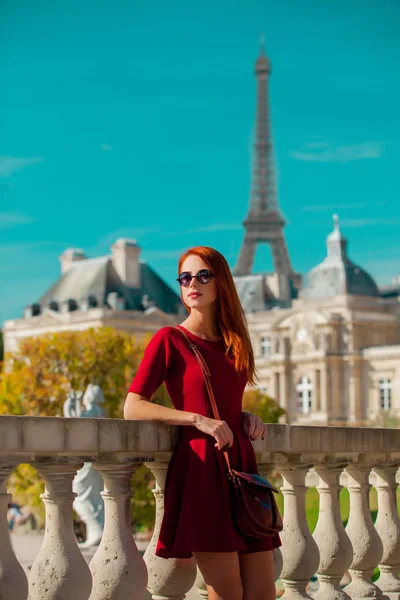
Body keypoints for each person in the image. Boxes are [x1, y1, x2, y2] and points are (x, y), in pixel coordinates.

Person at [124, 246, 281, 600]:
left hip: (241, 466)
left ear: (220, 282)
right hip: (202, 470)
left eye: (203, 275)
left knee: (262, 593)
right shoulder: (170, 339)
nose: (192, 283)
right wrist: (197, 419)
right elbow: (132, 406)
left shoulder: (235, 344)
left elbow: (225, 398)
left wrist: (242, 415)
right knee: (226, 593)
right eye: (185, 277)